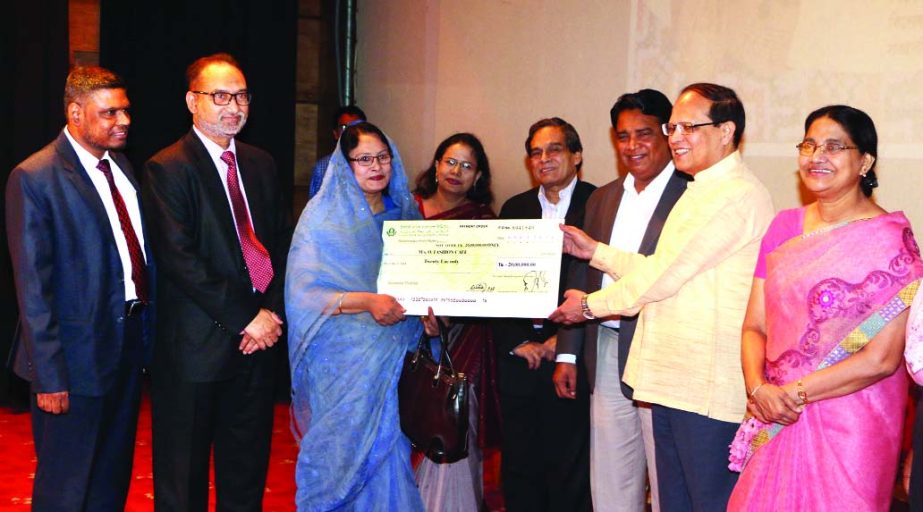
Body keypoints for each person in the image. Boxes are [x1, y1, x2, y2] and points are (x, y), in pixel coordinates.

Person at [550, 83, 774, 511]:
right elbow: (660, 267)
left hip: (705, 388)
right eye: (674, 127)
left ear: (727, 131)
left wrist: (586, 307)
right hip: (673, 381)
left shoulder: (737, 195)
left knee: (707, 501)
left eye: (690, 126)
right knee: (673, 503)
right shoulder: (700, 190)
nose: (676, 137)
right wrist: (595, 252)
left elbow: (662, 276)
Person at [727, 105, 923, 510]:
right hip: (774, 410)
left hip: (852, 424)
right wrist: (759, 388)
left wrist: (790, 394)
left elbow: (882, 359)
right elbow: (754, 327)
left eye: (834, 147)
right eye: (809, 144)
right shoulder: (782, 228)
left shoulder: (891, 243)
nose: (817, 156)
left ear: (864, 160)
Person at [141, 53, 290, 511]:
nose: (234, 107)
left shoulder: (261, 163)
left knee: (246, 471)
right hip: (195, 350)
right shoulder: (167, 167)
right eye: (220, 96)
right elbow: (180, 259)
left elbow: (278, 247)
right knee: (182, 478)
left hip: (256, 346)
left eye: (241, 95)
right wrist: (247, 316)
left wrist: (270, 315)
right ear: (192, 101)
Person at [6, 66, 153, 510]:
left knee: (110, 477)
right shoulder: (34, 176)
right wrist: (49, 376)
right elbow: (34, 289)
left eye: (125, 110)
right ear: (75, 113)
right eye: (109, 113)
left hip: (125, 347)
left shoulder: (121, 166)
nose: (123, 121)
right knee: (66, 485)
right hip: (71, 361)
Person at [287, 122, 438, 510]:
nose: (376, 167)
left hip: (391, 363)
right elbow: (305, 294)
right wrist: (367, 302)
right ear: (345, 164)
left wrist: (432, 320)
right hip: (340, 365)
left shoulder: (405, 217)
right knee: (336, 457)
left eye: (383, 157)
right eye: (364, 159)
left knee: (388, 454)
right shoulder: (322, 220)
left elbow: (425, 285)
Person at [553, 89, 686, 512]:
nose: (632, 146)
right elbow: (582, 273)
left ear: (668, 134)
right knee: (612, 470)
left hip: (663, 348)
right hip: (607, 345)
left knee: (667, 470)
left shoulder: (692, 196)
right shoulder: (603, 197)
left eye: (644, 134)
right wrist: (569, 355)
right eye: (623, 136)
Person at [494, 117, 595, 511]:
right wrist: (519, 342)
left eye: (554, 149)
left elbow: (601, 281)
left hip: (571, 358)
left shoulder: (598, 203)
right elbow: (496, 281)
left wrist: (562, 342)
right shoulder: (514, 207)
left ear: (576, 155)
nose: (544, 158)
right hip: (521, 357)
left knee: (570, 465)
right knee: (519, 465)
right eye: (535, 152)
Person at [411, 133, 501, 510]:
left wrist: (447, 318)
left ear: (478, 176)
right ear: (435, 164)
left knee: (450, 423)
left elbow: (488, 286)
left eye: (467, 166)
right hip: (397, 332)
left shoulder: (483, 222)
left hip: (463, 339)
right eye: (450, 161)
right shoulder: (405, 209)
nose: (456, 171)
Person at [308, 105, 367, 199]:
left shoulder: (373, 163)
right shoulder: (323, 167)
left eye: (356, 127)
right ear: (335, 134)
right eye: (344, 127)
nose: (350, 132)